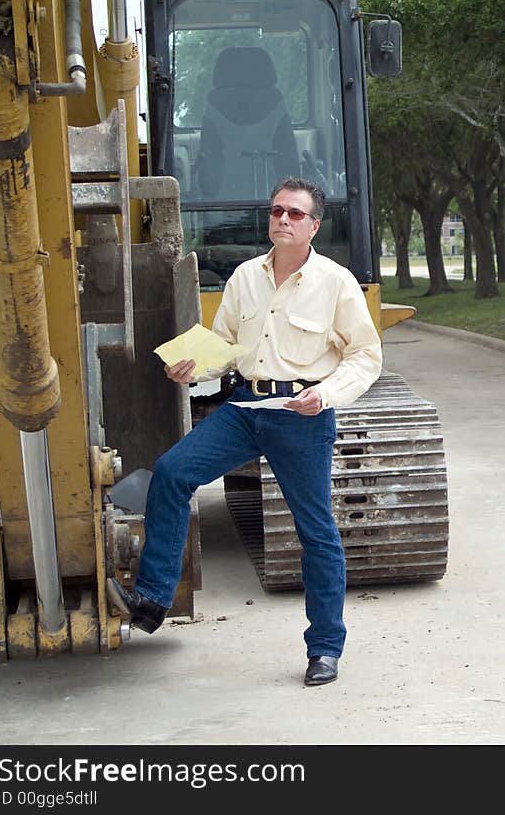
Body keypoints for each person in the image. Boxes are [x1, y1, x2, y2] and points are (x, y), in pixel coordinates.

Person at [107, 176, 382, 686]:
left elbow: (366, 356)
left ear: (314, 226)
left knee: (316, 532)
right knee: (172, 472)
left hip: (300, 415)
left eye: (295, 214)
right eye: (277, 210)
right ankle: (151, 599)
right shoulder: (244, 278)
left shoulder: (336, 282)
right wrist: (196, 366)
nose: (282, 219)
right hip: (245, 406)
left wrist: (325, 394)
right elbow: (227, 342)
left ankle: (324, 648)